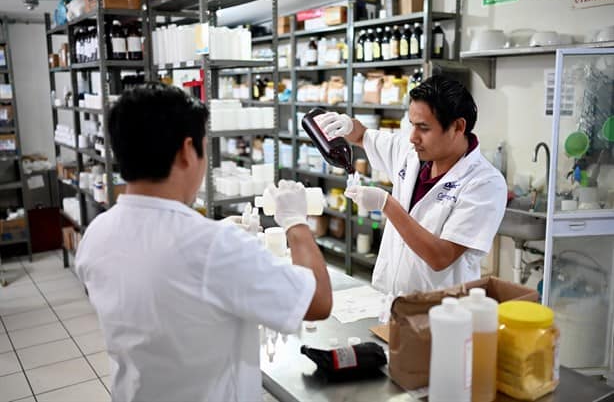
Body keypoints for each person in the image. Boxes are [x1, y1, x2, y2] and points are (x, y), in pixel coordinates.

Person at [75, 83, 332, 402]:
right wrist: (296, 224)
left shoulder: (96, 234)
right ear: (187, 151)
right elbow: (318, 302)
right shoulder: (213, 245)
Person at [317, 75, 506, 295]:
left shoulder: (485, 183)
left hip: (437, 313)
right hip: (388, 298)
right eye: (412, 125)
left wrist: (386, 204)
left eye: (424, 128)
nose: (413, 137)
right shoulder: (410, 152)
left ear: (458, 126)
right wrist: (347, 125)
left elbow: (441, 256)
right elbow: (362, 135)